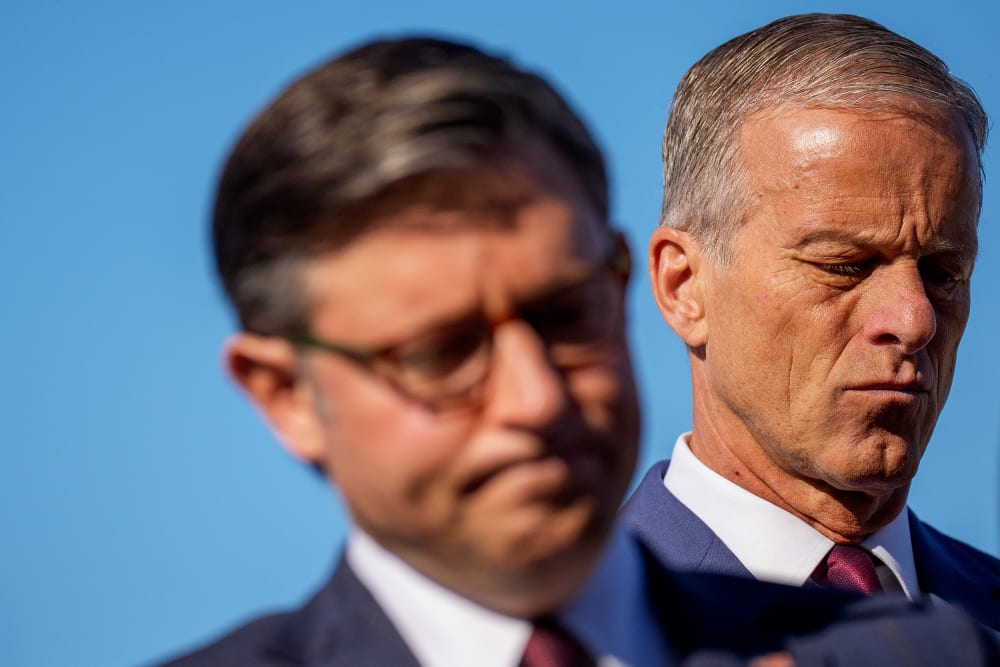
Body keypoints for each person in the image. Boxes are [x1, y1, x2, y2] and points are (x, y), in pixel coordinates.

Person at [157, 35, 999, 666]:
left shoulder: (919, 648)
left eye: (569, 315)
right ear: (286, 395)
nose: (537, 396)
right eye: (442, 352)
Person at [623, 12, 1000, 632]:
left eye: (943, 273)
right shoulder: (566, 637)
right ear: (683, 287)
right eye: (844, 265)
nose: (915, 320)